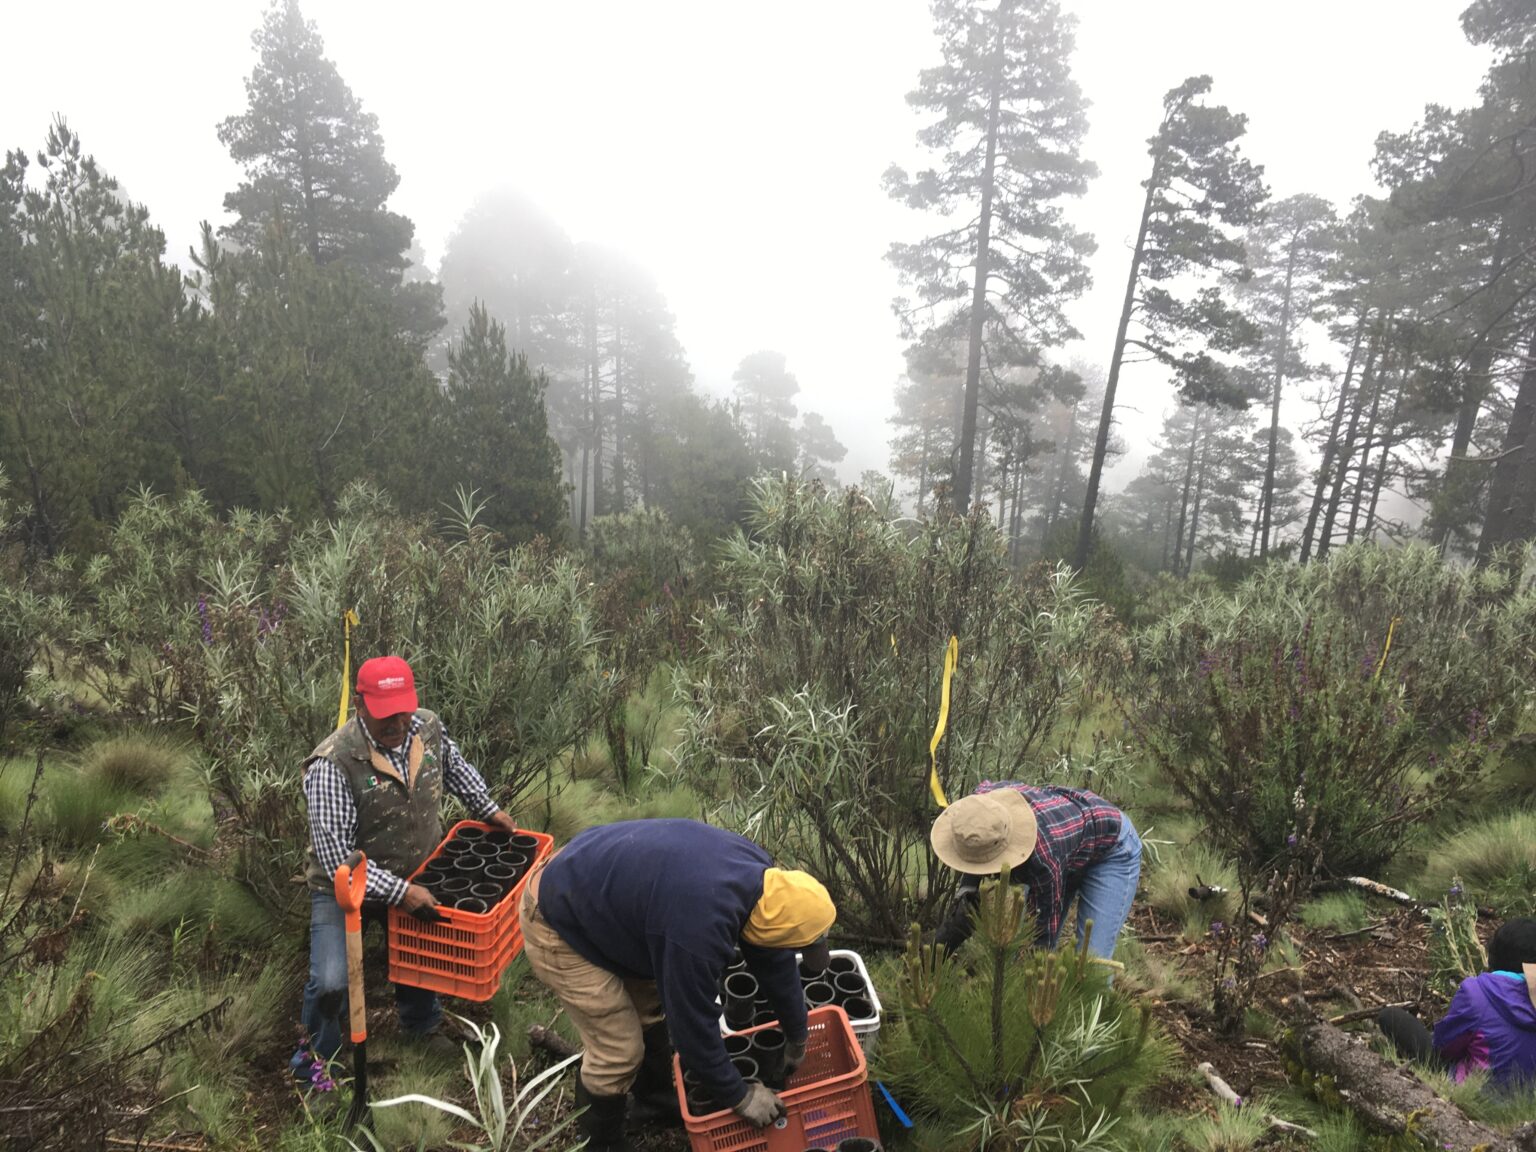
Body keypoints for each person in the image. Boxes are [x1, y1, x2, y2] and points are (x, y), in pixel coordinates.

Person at [520, 819, 836, 1152]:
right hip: (557, 915)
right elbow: (692, 1029)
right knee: (618, 1051)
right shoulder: (698, 933)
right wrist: (740, 1097)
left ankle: (652, 1105)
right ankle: (601, 1144)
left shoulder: (764, 883)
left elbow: (775, 961)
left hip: (608, 892)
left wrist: (797, 1033)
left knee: (649, 1009)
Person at [288, 655, 520, 1084]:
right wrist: (400, 893)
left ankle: (421, 1025)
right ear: (359, 705)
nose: (396, 722)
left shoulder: (425, 727)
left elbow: (453, 768)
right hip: (343, 889)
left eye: (402, 709)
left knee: (417, 956)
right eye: (383, 714)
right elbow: (339, 857)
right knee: (332, 982)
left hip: (415, 870)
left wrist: (488, 809)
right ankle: (316, 1066)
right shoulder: (332, 765)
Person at [932, 781, 1142, 960]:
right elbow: (975, 850)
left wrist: (1033, 983)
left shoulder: (1042, 861)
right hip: (1067, 842)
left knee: (1090, 959)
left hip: (1111, 848)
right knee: (1011, 943)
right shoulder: (979, 807)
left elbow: (1042, 939)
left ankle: (1087, 1006)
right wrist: (967, 891)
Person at [1378, 917, 1536, 1091]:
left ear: (1494, 954)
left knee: (1390, 1016)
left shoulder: (1477, 992)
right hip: (1528, 1105)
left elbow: (1443, 1047)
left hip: (1473, 1096)